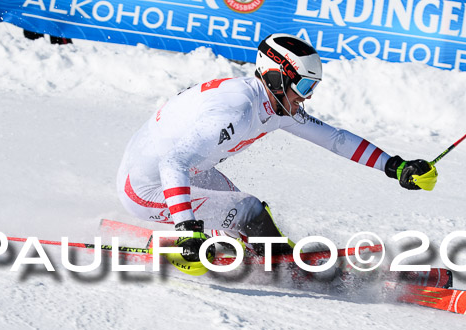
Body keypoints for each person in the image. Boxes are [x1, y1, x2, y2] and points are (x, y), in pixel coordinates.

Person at [116, 33, 436, 274]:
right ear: (277, 78)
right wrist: (187, 229)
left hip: (185, 174)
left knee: (240, 210)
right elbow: (173, 162)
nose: (306, 99)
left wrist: (394, 166)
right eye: (305, 88)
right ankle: (272, 261)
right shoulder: (236, 111)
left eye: (312, 89)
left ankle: (263, 253)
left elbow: (335, 139)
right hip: (145, 187)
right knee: (248, 210)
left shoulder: (275, 105)